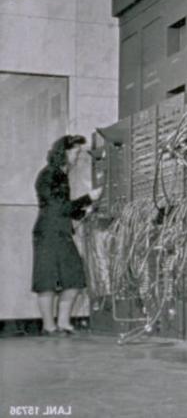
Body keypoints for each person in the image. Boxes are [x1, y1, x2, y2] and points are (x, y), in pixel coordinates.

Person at [32, 134, 102, 336]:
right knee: (47, 281)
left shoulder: (61, 175)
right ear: (64, 152)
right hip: (48, 233)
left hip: (60, 232)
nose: (78, 156)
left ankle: (63, 323)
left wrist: (82, 212)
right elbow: (57, 207)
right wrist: (88, 198)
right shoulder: (49, 175)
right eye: (76, 152)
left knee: (74, 279)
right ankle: (49, 326)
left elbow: (64, 208)